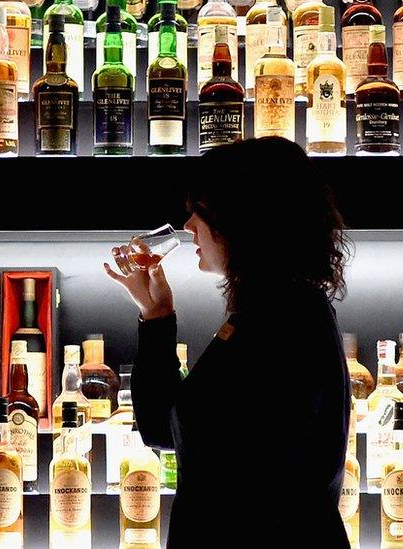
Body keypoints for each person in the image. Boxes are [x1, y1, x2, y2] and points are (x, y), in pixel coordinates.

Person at [104, 138, 353, 547]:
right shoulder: (273, 310)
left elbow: (255, 490)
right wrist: (156, 315)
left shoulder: (284, 319)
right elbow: (166, 428)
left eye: (198, 212)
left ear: (240, 218)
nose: (187, 228)